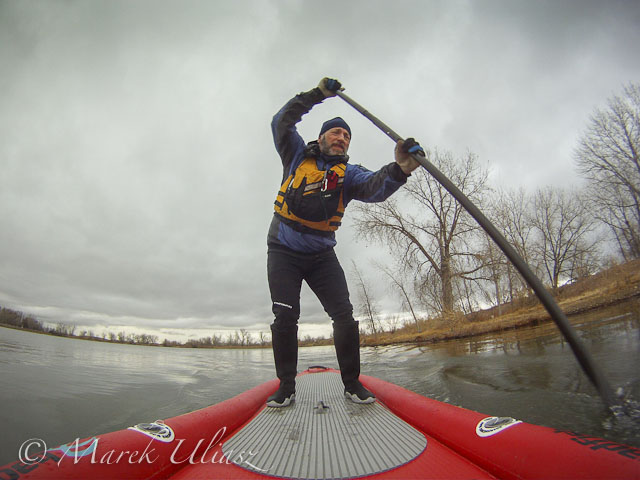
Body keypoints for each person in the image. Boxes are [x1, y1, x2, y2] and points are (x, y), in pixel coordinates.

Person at [266, 77, 422, 407]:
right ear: (321, 137)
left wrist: (400, 169)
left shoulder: (350, 174)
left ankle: (352, 384)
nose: (342, 138)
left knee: (345, 317)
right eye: (336, 132)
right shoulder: (294, 154)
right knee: (285, 318)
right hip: (283, 250)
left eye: (347, 136)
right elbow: (282, 120)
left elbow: (375, 187)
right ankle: (286, 387)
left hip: (322, 254)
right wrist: (317, 95)